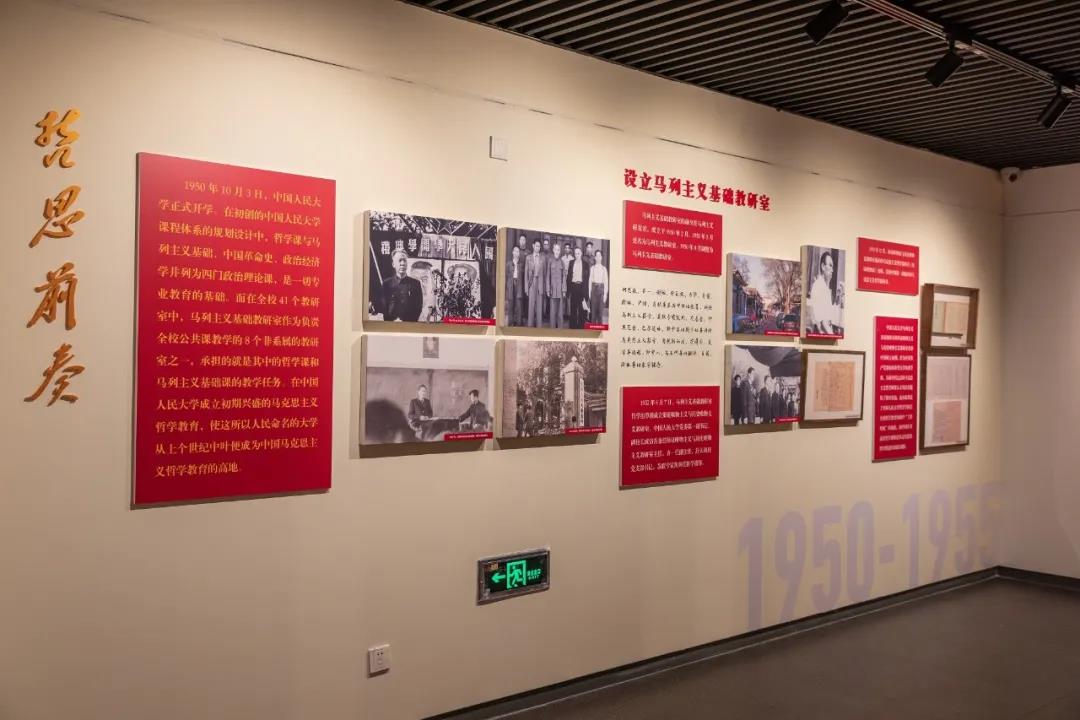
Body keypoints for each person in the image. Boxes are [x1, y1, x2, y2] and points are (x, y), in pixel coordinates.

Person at [376, 248, 423, 322]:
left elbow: (418, 308)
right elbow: (384, 307)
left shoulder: (415, 284)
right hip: (390, 325)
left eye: (404, 260)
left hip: (409, 325)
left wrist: (406, 322)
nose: (402, 263)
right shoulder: (386, 284)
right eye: (400, 260)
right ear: (393, 264)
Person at [808, 250, 843, 335]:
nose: (832, 270)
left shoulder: (824, 287)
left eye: (833, 267)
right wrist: (833, 336)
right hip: (823, 335)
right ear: (823, 266)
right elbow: (823, 323)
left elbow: (830, 314)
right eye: (830, 265)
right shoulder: (819, 286)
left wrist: (839, 297)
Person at [566, 246, 590, 329]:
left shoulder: (586, 264)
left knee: (581, 309)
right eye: (575, 253)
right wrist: (568, 291)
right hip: (573, 287)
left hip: (581, 287)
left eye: (578, 253)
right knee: (573, 308)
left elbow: (587, 279)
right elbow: (568, 277)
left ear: (581, 253)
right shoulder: (571, 263)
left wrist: (586, 293)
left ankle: (581, 327)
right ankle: (572, 327)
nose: (577, 255)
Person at [525, 239, 546, 327]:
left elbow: (544, 274)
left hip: (540, 283)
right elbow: (526, 273)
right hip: (531, 282)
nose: (538, 248)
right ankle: (530, 326)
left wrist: (544, 287)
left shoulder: (543, 258)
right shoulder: (528, 257)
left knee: (539, 306)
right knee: (531, 306)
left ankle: (539, 326)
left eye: (539, 246)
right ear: (533, 246)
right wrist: (526, 288)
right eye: (536, 246)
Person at [546, 241, 566, 328]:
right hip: (552, 290)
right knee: (553, 311)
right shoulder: (550, 261)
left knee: (560, 312)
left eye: (558, 250)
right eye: (556, 250)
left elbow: (564, 277)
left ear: (560, 251)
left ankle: (560, 328)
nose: (557, 251)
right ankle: (552, 328)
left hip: (560, 290)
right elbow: (548, 276)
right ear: (553, 250)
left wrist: (564, 290)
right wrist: (547, 289)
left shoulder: (562, 262)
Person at [588, 249, 608, 326]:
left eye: (599, 256)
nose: (598, 257)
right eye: (597, 256)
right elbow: (590, 281)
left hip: (601, 291)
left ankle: (599, 330)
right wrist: (589, 293)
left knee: (600, 314)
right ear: (595, 257)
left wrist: (605, 294)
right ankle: (593, 330)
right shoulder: (592, 268)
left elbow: (606, 282)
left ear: (601, 257)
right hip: (593, 290)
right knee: (593, 314)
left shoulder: (604, 269)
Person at [507, 245, 524, 325]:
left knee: (519, 304)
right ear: (512, 252)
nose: (516, 253)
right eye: (515, 251)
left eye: (518, 251)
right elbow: (506, 276)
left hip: (519, 285)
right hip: (511, 285)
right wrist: (508, 286)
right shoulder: (508, 264)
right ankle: (511, 322)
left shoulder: (521, 264)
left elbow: (523, 276)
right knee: (511, 304)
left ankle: (519, 323)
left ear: (519, 253)